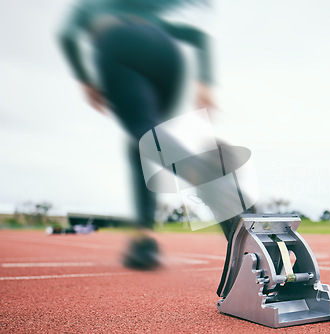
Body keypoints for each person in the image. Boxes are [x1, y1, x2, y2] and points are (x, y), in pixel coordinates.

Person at [58, 0, 217, 269]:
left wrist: (84, 78)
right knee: (143, 143)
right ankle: (144, 242)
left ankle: (209, 178)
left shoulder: (91, 7)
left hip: (119, 42)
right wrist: (205, 82)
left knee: (144, 137)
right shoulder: (150, 13)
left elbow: (67, 36)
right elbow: (199, 37)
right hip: (167, 55)